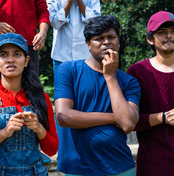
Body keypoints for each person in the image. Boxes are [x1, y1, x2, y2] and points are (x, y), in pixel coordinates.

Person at [54, 15, 141, 176]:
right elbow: (64, 116)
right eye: (99, 38)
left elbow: (128, 124)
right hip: (79, 167)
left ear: (118, 41)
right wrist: (114, 118)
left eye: (111, 37)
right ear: (88, 44)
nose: (106, 42)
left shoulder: (129, 81)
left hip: (120, 167)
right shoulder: (69, 70)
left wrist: (110, 77)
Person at [0, 33, 58, 175]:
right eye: (4, 55)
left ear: (26, 61)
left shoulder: (40, 98)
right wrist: (4, 133)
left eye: (17, 54)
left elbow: (52, 149)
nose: (10, 60)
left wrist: (39, 129)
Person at [127, 11, 174, 176]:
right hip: (153, 164)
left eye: (173, 31)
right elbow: (130, 122)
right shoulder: (137, 72)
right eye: (162, 32)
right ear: (150, 39)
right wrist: (163, 117)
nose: (169, 36)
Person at [47, 0, 101, 73]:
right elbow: (55, 23)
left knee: (86, 92)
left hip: (87, 56)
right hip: (61, 56)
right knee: (63, 92)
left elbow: (96, 24)